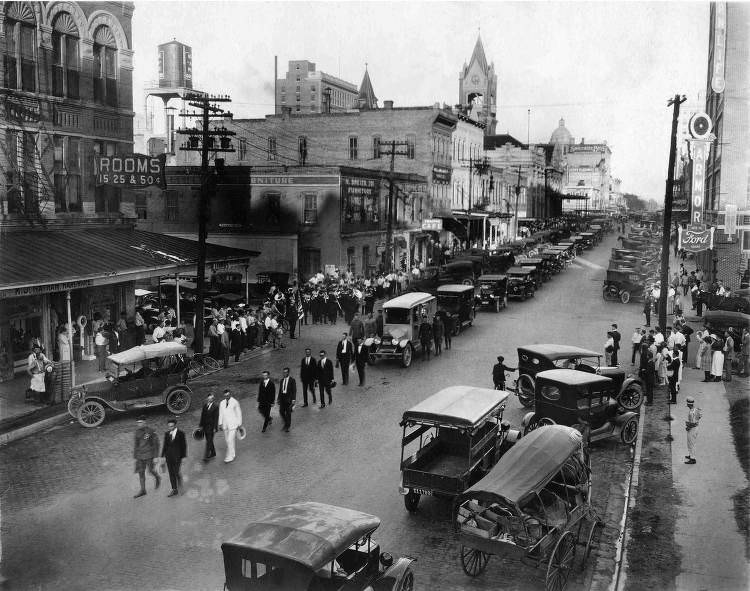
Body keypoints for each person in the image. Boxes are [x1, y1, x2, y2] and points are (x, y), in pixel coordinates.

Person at [133, 415, 161, 498]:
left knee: (151, 471)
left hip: (149, 455)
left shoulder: (151, 431)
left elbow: (156, 444)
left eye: (141, 422)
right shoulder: (137, 432)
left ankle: (157, 477)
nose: (139, 424)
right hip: (140, 456)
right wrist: (135, 456)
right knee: (140, 473)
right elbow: (136, 445)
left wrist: (156, 456)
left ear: (145, 422)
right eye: (138, 423)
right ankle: (143, 490)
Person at [161, 417, 186, 497]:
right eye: (169, 426)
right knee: (171, 473)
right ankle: (174, 489)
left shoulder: (181, 433)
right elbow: (165, 445)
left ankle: (180, 486)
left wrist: (184, 456)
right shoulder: (167, 434)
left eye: (172, 426)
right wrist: (162, 456)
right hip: (169, 457)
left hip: (177, 457)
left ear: (175, 425)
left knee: (176, 472)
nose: (170, 428)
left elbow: (184, 445)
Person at [218, 388, 242, 463]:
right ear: (223, 396)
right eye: (225, 396)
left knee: (229, 440)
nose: (227, 397)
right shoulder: (222, 403)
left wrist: (239, 424)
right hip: (225, 425)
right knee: (228, 441)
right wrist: (220, 423)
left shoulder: (235, 402)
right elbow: (221, 414)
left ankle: (230, 457)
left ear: (230, 394)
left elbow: (239, 413)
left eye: (228, 395)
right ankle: (233, 453)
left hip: (233, 425)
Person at [199, 393, 220, 460]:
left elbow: (216, 418)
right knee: (209, 440)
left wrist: (215, 428)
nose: (210, 399)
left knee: (208, 441)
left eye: (211, 398)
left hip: (211, 427)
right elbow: (202, 416)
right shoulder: (205, 405)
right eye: (209, 398)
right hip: (205, 426)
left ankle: (206, 456)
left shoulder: (216, 406)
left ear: (213, 399)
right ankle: (213, 453)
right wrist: (201, 425)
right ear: (207, 399)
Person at [278, 367, 296, 432]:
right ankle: (286, 423)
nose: (284, 373)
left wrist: (293, 399)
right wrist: (278, 398)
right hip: (282, 398)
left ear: (288, 372)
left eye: (286, 372)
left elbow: (294, 390)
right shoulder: (282, 380)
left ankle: (287, 426)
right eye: (283, 372)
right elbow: (280, 390)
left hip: (289, 398)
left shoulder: (292, 380)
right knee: (281, 411)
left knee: (288, 413)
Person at [684, 397, 701, 464]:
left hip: (692, 429)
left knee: (691, 444)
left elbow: (693, 423)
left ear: (689, 404)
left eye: (687, 404)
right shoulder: (696, 409)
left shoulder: (691, 412)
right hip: (696, 428)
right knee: (690, 443)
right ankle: (691, 455)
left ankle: (693, 459)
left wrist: (688, 427)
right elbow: (700, 416)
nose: (687, 405)